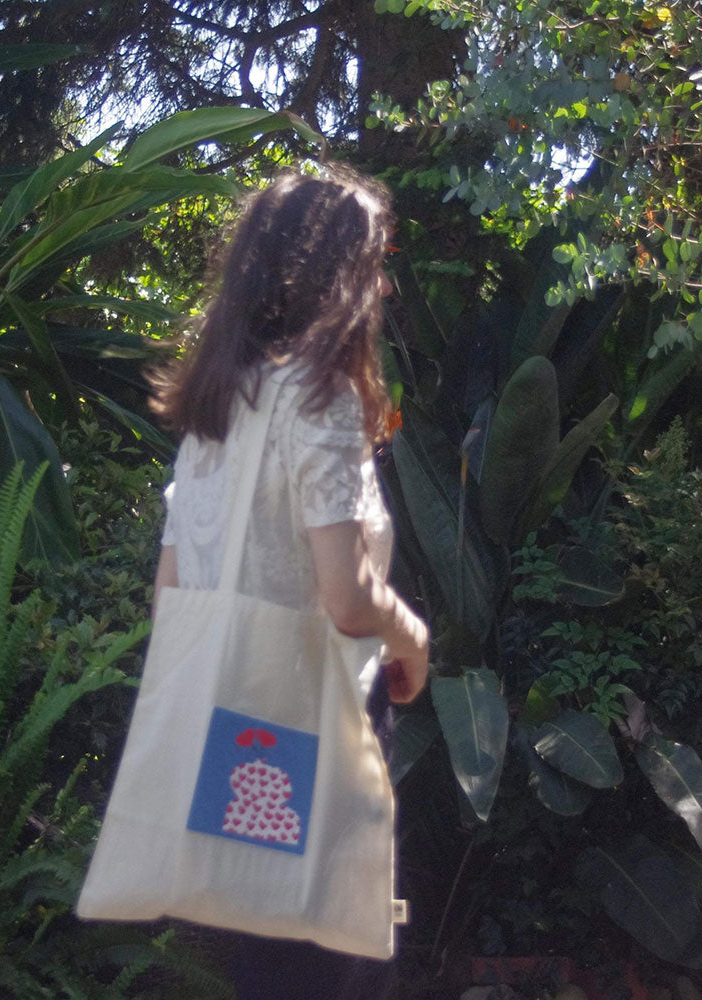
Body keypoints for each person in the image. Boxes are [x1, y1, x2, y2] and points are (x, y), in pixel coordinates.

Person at [148, 166, 430, 999]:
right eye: (374, 264)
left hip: (231, 729)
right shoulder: (323, 398)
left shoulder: (218, 405)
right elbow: (346, 599)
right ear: (339, 279)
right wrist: (412, 636)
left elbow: (171, 596)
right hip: (318, 727)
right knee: (329, 965)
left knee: (263, 968)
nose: (381, 284)